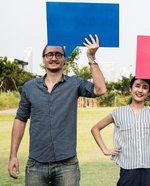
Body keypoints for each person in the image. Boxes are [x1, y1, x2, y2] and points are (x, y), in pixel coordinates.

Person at [8, 34, 107, 186]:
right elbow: (20, 120)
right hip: (36, 164)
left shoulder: (75, 83)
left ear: (64, 59)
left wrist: (91, 57)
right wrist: (13, 156)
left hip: (67, 165)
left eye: (58, 54)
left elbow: (100, 89)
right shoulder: (29, 87)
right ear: (44, 59)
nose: (53, 58)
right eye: (49, 54)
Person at [91, 76, 150, 186]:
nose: (140, 90)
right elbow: (95, 128)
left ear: (148, 92)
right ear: (130, 89)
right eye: (137, 86)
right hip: (128, 171)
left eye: (145, 87)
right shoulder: (117, 113)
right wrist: (105, 149)